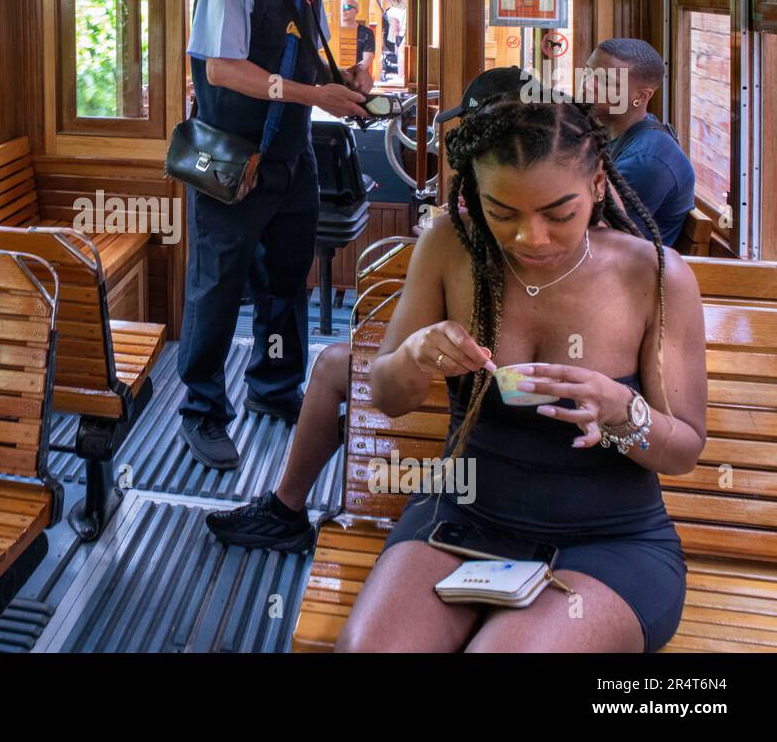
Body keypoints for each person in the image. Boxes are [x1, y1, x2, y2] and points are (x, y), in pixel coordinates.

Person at [212, 93, 707, 654]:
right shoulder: (450, 244)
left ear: (597, 185)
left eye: (558, 213)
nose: (530, 237)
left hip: (608, 543)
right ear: (474, 194)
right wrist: (416, 355)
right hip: (462, 515)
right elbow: (388, 396)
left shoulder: (655, 276)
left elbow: (684, 449)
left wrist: (623, 410)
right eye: (502, 213)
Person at [179, 0, 373, 471]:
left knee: (285, 280)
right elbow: (223, 69)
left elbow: (302, 59)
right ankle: (203, 410)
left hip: (290, 158)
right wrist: (315, 93)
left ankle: (274, 384)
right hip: (231, 158)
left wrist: (350, 83)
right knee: (216, 286)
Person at [580, 38, 695, 247]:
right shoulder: (610, 133)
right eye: (588, 72)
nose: (587, 85)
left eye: (606, 81)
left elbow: (592, 234)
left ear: (640, 97)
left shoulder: (647, 160)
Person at [340, 0, 376, 72]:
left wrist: (349, 73)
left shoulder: (367, 33)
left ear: (356, 11)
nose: (343, 9)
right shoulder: (331, 32)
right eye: (341, 7)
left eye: (347, 7)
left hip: (356, 76)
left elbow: (367, 59)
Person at [381, 0, 406, 81]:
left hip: (397, 39)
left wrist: (396, 44)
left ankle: (401, 78)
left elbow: (395, 29)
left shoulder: (391, 12)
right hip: (402, 36)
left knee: (401, 57)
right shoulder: (403, 7)